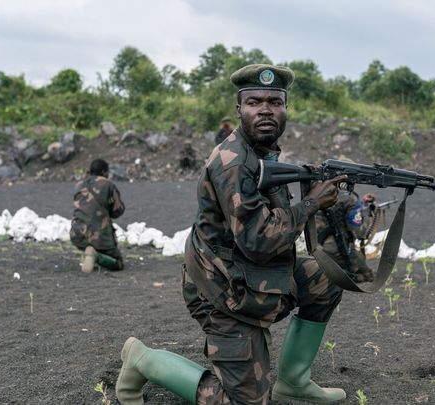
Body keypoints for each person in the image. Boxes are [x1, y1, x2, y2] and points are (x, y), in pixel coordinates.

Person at [116, 64, 347, 404]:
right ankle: (144, 359)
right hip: (222, 292)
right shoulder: (233, 160)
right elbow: (258, 240)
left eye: (275, 101)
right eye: (255, 102)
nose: (266, 109)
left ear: (285, 109)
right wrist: (310, 204)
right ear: (239, 109)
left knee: (325, 278)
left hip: (257, 277)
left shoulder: (265, 153)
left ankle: (294, 382)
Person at [69, 159, 125, 273]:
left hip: (77, 234)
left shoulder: (79, 185)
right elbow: (117, 211)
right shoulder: (108, 184)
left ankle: (87, 254)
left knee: (88, 243)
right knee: (118, 263)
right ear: (104, 172)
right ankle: (96, 256)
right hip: (99, 236)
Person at [316, 190, 375, 283]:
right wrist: (366, 213)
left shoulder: (317, 193)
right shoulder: (349, 198)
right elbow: (360, 232)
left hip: (318, 253)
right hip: (340, 252)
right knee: (367, 275)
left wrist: (362, 203)